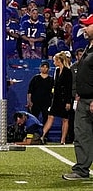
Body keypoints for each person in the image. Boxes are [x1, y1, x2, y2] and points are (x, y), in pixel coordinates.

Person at [64, 14, 93, 180]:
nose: (84, 29)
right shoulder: (88, 47)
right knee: (81, 134)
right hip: (83, 100)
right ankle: (82, 169)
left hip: (91, 100)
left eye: (88, 25)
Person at [40, 51, 73, 144]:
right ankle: (42, 136)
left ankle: (63, 140)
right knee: (50, 116)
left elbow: (69, 87)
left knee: (65, 119)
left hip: (64, 98)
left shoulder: (68, 71)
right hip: (56, 98)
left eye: (55, 60)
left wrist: (68, 102)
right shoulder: (57, 71)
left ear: (59, 60)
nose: (54, 62)